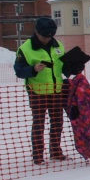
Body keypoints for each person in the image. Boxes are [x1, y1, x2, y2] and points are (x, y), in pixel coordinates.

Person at [13, 17, 67, 164]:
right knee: (39, 123)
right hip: (37, 92)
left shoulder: (58, 45)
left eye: (50, 37)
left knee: (57, 122)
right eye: (44, 37)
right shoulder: (25, 49)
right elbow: (18, 71)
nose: (47, 40)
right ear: (36, 32)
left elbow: (63, 66)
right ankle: (38, 155)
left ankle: (55, 151)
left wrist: (74, 66)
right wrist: (32, 69)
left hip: (56, 91)